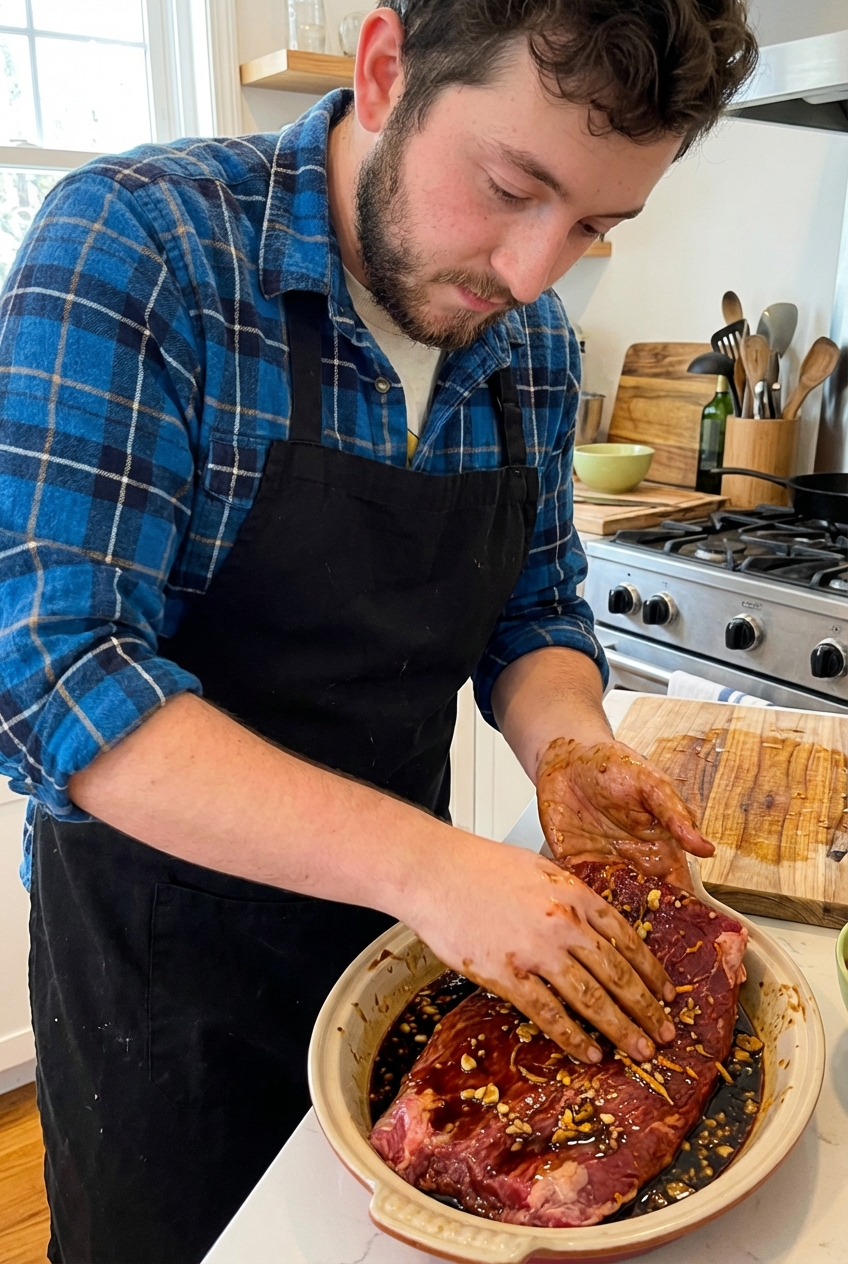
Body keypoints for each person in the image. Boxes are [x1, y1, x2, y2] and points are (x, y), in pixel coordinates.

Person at [0, 2, 757, 1260]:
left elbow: (534, 607)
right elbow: (50, 670)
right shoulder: (144, 249)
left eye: (592, 226)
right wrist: (429, 868)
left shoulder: (530, 347)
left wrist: (564, 738)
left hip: (410, 946)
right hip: (163, 981)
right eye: (511, 187)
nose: (534, 273)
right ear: (384, 67)